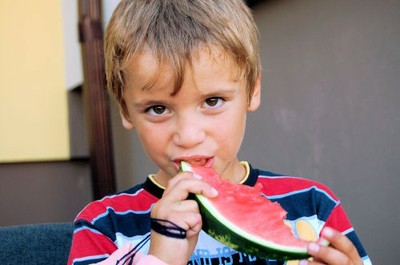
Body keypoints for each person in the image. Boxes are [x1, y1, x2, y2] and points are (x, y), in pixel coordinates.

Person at [68, 0, 372, 264]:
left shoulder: (313, 208)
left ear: (252, 91)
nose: (188, 136)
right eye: (158, 109)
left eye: (212, 102)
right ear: (124, 109)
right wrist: (159, 259)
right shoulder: (102, 227)